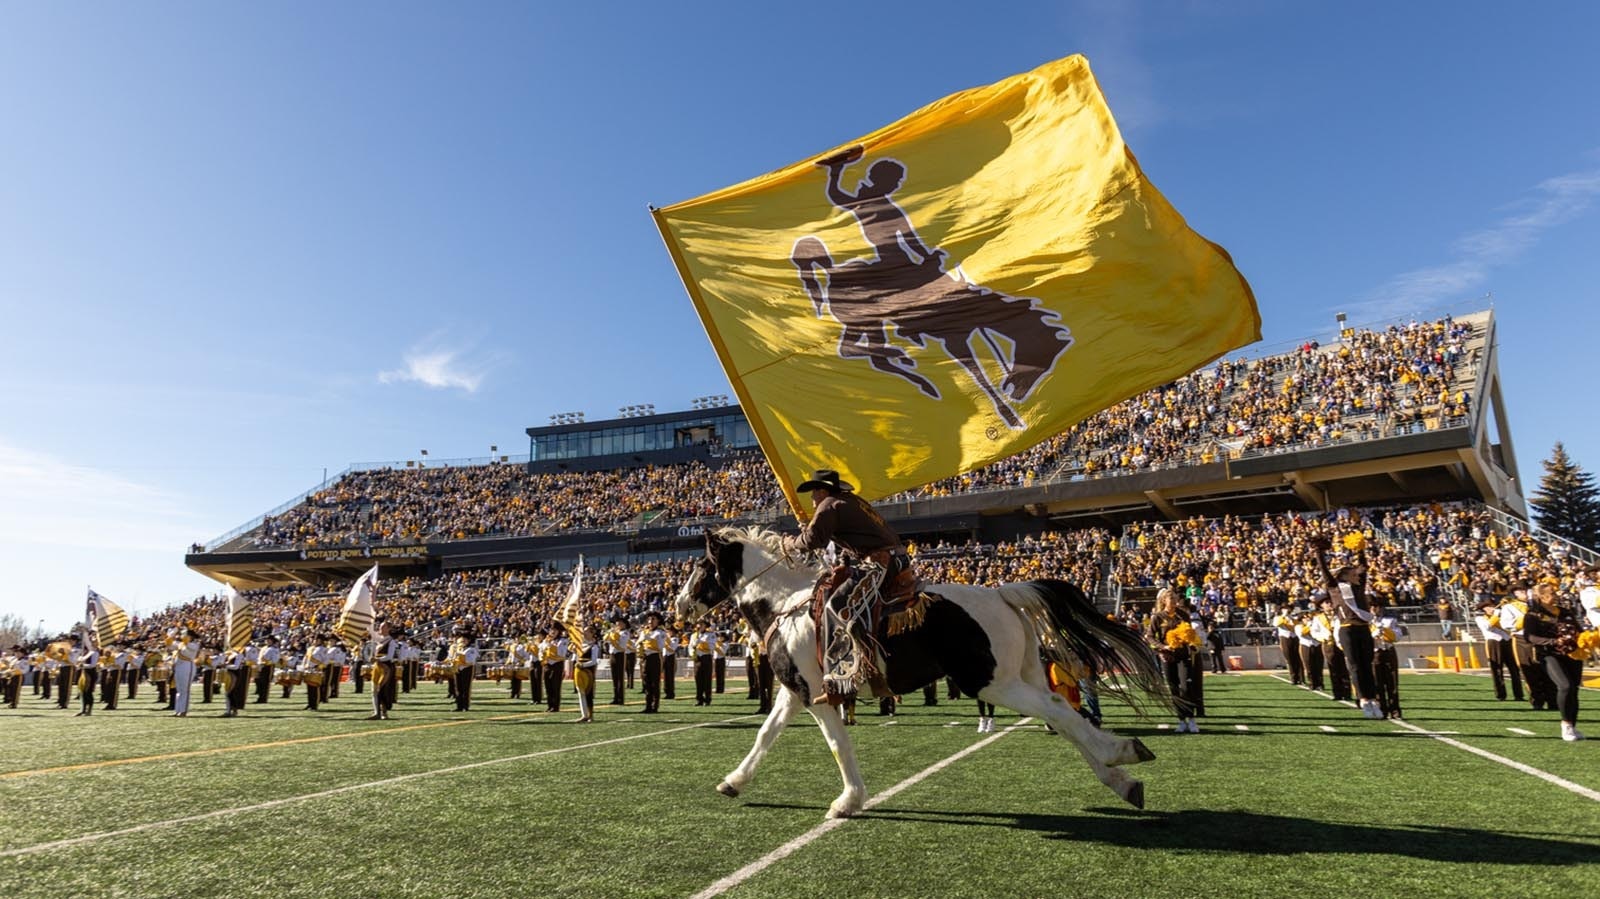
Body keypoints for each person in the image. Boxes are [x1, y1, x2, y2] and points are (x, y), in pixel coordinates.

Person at [780, 469, 913, 698]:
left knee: (837, 607)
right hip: (892, 559)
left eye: (813, 493)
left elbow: (813, 540)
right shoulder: (851, 501)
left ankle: (844, 677)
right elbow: (855, 536)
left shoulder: (829, 505)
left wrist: (791, 543)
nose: (812, 499)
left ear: (822, 490)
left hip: (880, 562)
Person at [1312, 535, 1381, 719]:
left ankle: (1374, 698)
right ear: (1343, 575)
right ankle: (1364, 699)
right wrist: (1319, 553)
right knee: (1355, 665)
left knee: (1368, 664)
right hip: (1347, 629)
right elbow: (1324, 570)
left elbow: (1364, 569)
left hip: (1363, 629)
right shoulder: (1334, 588)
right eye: (1352, 573)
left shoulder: (1359, 588)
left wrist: (1360, 550)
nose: (1356, 575)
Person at [1522, 583, 1586, 741]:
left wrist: (1587, 639)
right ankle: (1565, 724)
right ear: (1541, 596)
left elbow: (1580, 630)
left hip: (1572, 654)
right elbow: (1529, 637)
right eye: (1552, 593)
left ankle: (1572, 725)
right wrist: (1553, 641)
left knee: (1574, 690)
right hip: (1550, 655)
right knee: (1565, 685)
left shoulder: (1565, 611)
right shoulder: (1533, 615)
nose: (1556, 595)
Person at [1147, 588, 1201, 733]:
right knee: (1174, 689)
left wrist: (1192, 643)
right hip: (1168, 657)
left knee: (1185, 688)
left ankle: (1192, 720)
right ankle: (1181, 720)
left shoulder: (1183, 615)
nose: (1175, 602)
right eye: (1172, 599)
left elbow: (1190, 633)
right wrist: (1162, 647)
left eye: (1176, 599)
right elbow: (1150, 637)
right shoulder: (1157, 617)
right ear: (1164, 600)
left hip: (1184, 655)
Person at [1475, 598, 1523, 701]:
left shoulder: (1501, 616)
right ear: (1483, 610)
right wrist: (1496, 615)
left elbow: (1508, 626)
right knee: (1497, 668)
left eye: (1491, 606)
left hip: (1507, 641)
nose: (1491, 608)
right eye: (1487, 607)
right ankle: (1501, 695)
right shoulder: (1480, 618)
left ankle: (1518, 694)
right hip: (1494, 642)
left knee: (1514, 669)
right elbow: (1487, 626)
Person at [1370, 600, 1404, 719]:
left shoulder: (1390, 620)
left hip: (1388, 651)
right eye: (1371, 606)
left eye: (1376, 606)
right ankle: (1381, 709)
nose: (1374, 609)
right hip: (1374, 652)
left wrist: (1385, 631)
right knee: (1377, 683)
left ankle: (1395, 709)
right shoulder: (1365, 622)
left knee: (1392, 682)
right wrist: (1373, 634)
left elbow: (1397, 636)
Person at [572, 624, 602, 723]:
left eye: (587, 631)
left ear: (592, 633)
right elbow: (576, 657)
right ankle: (584, 714)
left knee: (588, 693)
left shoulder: (594, 646)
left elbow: (594, 661)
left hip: (588, 671)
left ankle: (590, 715)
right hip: (579, 671)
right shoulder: (580, 645)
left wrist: (583, 665)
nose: (584, 633)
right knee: (580, 693)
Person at [637, 611, 666, 713]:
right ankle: (647, 705)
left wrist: (648, 639)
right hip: (645, 658)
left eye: (653, 619)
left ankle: (655, 706)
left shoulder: (661, 632)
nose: (650, 621)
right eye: (649, 619)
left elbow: (660, 646)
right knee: (646, 683)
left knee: (655, 683)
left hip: (654, 657)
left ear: (658, 621)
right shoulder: (644, 632)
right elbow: (638, 643)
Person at [541, 623, 569, 713]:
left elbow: (562, 654)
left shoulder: (562, 641)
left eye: (555, 630)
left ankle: (555, 706)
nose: (552, 632)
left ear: (558, 632)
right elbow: (541, 651)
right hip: (547, 665)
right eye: (551, 630)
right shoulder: (547, 640)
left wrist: (551, 646)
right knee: (548, 686)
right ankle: (549, 705)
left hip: (556, 665)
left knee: (555, 686)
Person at [171, 628, 199, 717]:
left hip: (187, 666)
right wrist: (172, 633)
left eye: (185, 634)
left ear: (190, 637)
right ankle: (178, 710)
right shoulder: (181, 644)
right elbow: (169, 643)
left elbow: (187, 644)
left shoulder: (194, 645)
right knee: (179, 690)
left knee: (185, 690)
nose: (182, 636)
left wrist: (183, 636)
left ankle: (183, 711)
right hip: (178, 666)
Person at [691, 624, 717, 706]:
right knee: (698, 679)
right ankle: (699, 699)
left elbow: (712, 646)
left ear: (705, 626)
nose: (699, 626)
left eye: (701, 625)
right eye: (698, 625)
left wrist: (702, 642)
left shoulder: (710, 634)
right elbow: (690, 646)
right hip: (697, 658)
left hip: (706, 657)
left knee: (707, 679)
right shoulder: (694, 635)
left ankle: (707, 699)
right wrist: (692, 653)